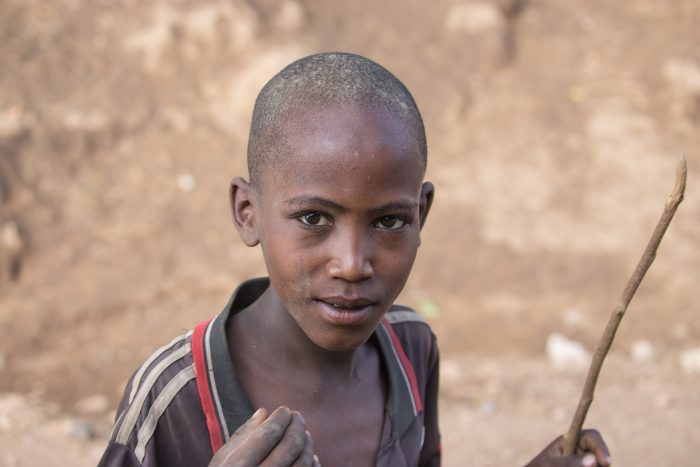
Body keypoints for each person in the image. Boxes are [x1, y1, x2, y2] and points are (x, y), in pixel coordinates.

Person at [98, 52, 611, 467]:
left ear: (422, 215)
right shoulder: (175, 400)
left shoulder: (411, 348)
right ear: (248, 212)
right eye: (314, 218)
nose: (351, 264)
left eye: (389, 222)